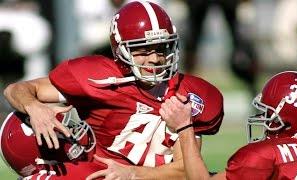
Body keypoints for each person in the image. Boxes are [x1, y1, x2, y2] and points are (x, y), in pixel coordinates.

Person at [2, 1, 224, 179]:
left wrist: (134, 173)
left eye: (161, 48)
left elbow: (187, 170)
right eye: (143, 50)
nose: (155, 58)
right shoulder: (96, 78)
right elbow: (17, 89)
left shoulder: (194, 94)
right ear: (121, 50)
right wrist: (35, 108)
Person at [160, 71, 297, 179]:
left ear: (289, 122)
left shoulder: (264, 155)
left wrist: (184, 127)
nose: (264, 120)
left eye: (269, 115)